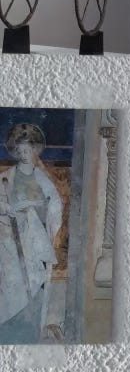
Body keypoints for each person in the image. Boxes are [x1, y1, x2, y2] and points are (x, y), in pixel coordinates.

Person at [0, 124, 62, 343]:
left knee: (35, 282)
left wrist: (38, 209)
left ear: (35, 150)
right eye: (20, 150)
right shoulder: (6, 178)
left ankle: (32, 325)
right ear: (15, 152)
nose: (25, 154)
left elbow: (54, 204)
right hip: (10, 240)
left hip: (34, 239)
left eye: (28, 150)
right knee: (12, 284)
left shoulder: (41, 178)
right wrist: (7, 209)